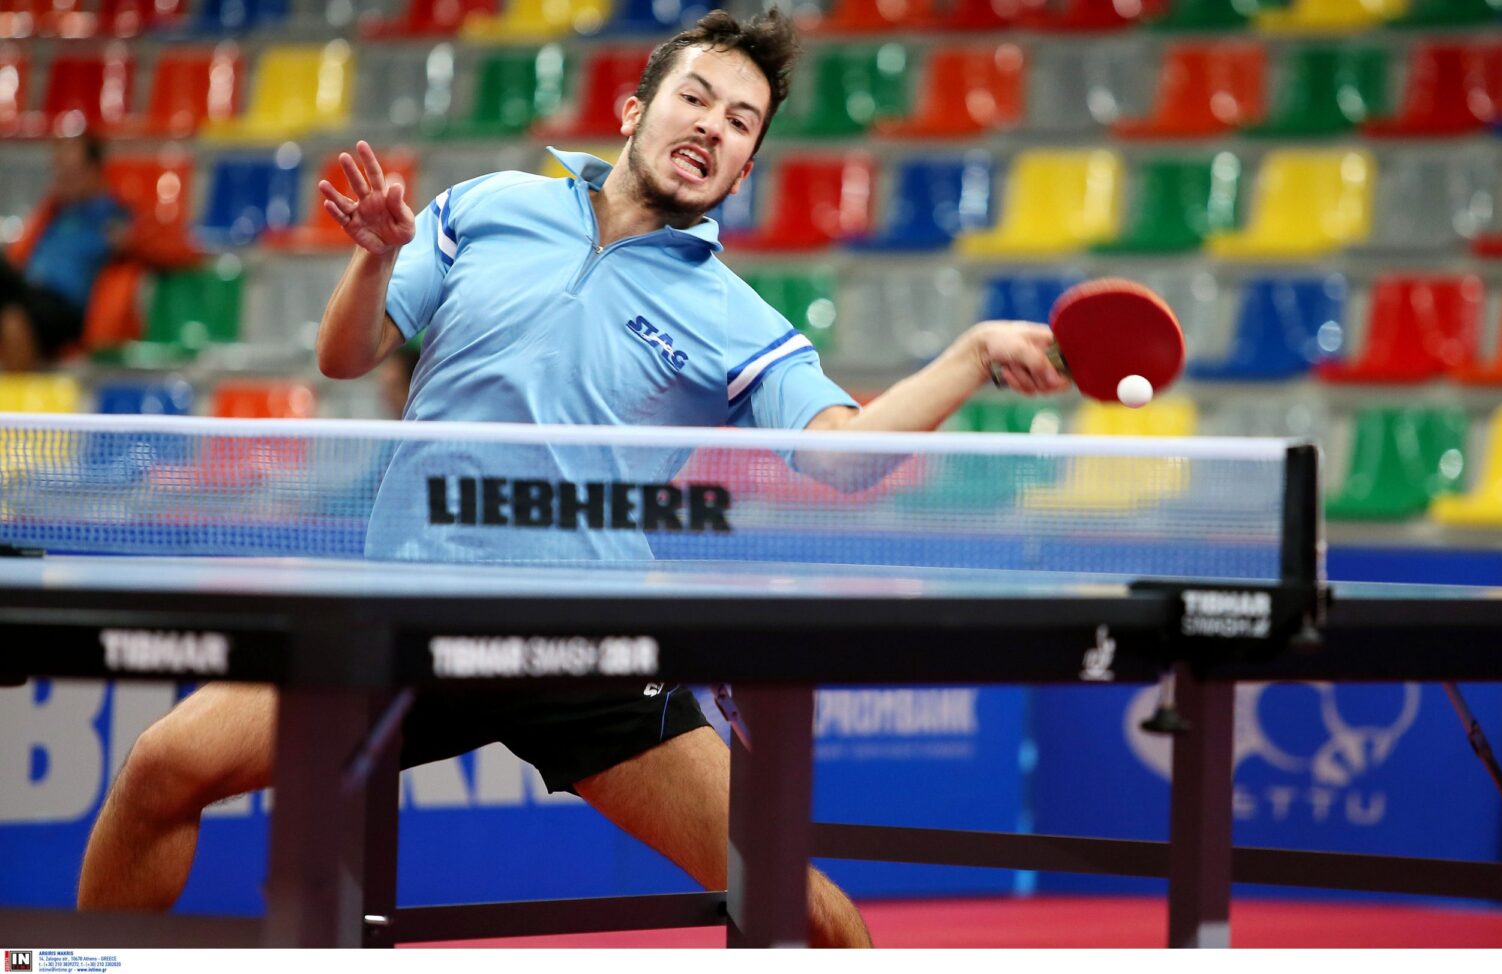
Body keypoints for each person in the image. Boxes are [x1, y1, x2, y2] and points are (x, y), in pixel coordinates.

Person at [77, 10, 1066, 945]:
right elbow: (345, 355)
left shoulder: (734, 318)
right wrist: (374, 259)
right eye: (696, 98)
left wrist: (972, 353)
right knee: (162, 768)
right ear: (635, 111)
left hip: (585, 647)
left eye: (740, 122)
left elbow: (841, 458)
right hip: (406, 613)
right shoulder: (489, 207)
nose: (712, 127)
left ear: (746, 166)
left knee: (806, 913)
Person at [1, 135, 128, 371]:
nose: (63, 179)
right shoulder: (54, 212)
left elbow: (166, 247)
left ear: (93, 170)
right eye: (59, 171)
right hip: (29, 291)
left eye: (71, 172)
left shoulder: (112, 214)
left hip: (64, 307)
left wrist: (126, 239)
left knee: (13, 316)